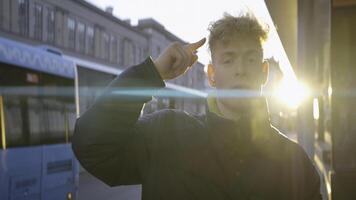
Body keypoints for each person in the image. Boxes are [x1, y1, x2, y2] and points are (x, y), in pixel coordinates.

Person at [72, 13, 321, 200]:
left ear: (264, 71)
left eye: (250, 59)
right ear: (211, 75)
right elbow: (92, 146)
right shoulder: (166, 134)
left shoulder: (294, 164)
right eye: (228, 59)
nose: (241, 70)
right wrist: (152, 73)